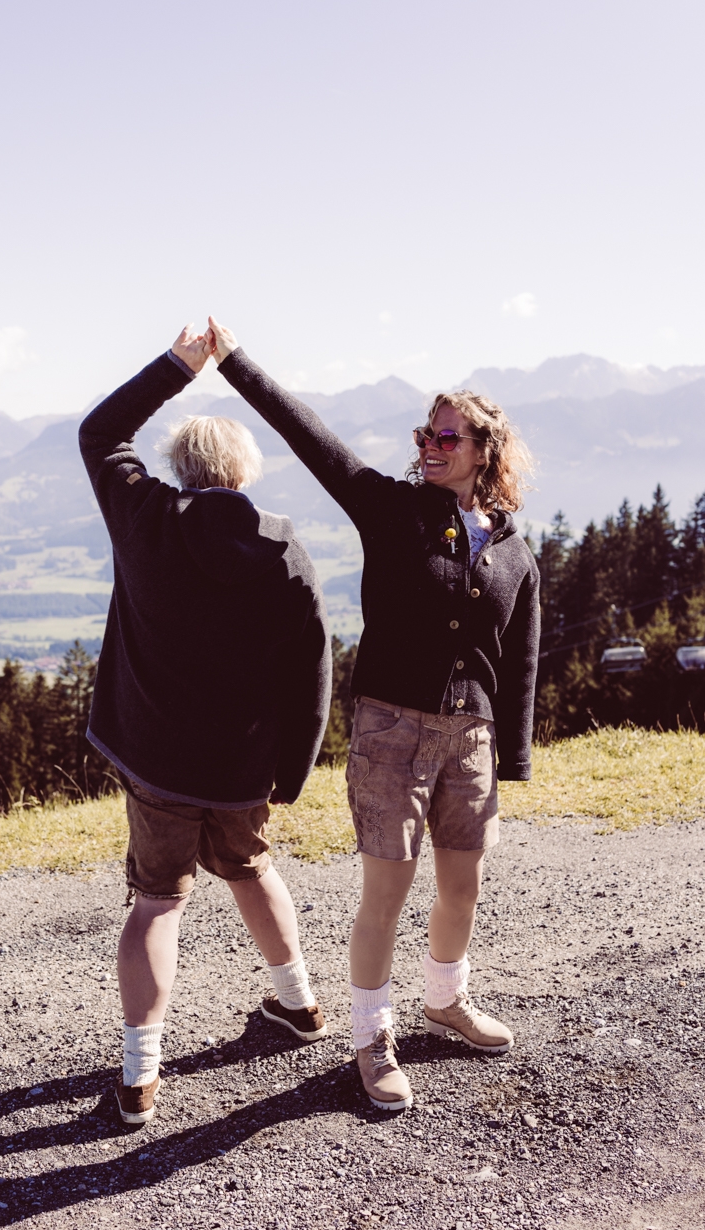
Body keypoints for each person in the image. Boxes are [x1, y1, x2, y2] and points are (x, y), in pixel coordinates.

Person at [208, 317, 539, 1113]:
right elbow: (309, 433)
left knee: (463, 887)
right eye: (426, 431)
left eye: (448, 436)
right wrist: (232, 361)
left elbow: (522, 659)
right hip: (392, 731)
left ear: (483, 452)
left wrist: (514, 756)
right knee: (385, 895)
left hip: (472, 739)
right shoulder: (391, 510)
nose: (431, 444)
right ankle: (371, 1037)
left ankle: (445, 1000)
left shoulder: (517, 551)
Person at [78, 326, 332, 1127]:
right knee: (253, 870)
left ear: (180, 467)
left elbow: (98, 433)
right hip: (242, 768)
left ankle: (141, 1075)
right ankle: (298, 1004)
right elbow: (313, 667)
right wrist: (292, 769)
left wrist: (180, 366)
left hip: (157, 763)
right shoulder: (283, 545)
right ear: (245, 473)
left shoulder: (144, 515)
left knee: (157, 903)